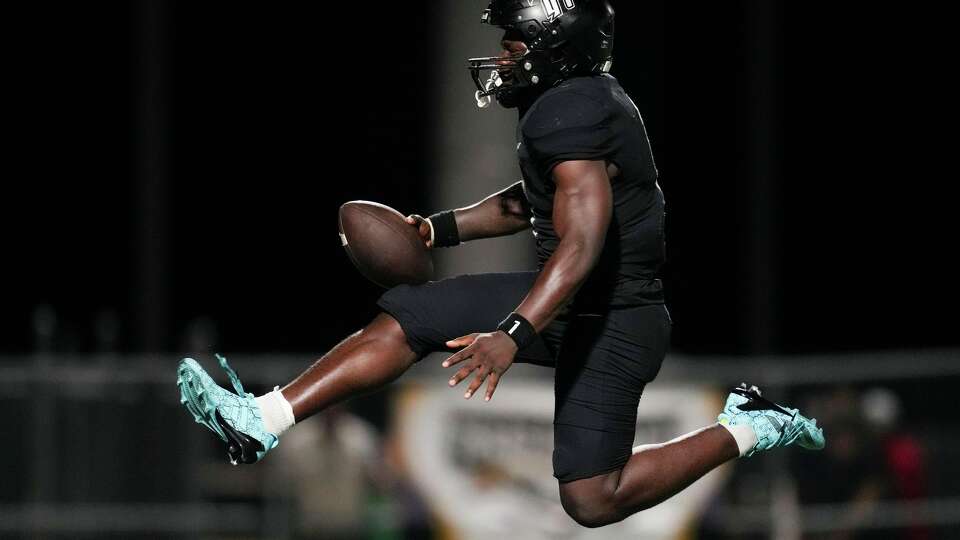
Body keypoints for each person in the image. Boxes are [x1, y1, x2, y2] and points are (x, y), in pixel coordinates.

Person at [177, 0, 824, 528]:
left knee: (591, 498)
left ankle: (749, 425)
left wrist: (513, 335)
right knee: (414, 313)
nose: (505, 52)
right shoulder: (570, 104)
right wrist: (437, 229)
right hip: (582, 295)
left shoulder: (572, 112)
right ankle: (262, 419)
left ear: (555, 46)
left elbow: (581, 242)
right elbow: (528, 204)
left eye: (517, 40)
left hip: (616, 317)